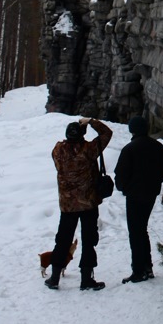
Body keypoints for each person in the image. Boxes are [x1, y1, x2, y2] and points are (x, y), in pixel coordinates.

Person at [45, 117, 113, 290]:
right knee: (89, 240)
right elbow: (107, 133)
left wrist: (78, 131)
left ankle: (54, 278)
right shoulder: (89, 149)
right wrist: (90, 122)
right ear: (81, 135)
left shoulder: (58, 149)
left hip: (67, 205)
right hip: (88, 203)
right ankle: (86, 279)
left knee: (63, 240)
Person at [114, 115, 163, 284]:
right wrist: (154, 182)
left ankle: (139, 270)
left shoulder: (129, 149)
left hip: (134, 195)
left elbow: (120, 175)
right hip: (150, 194)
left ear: (132, 130)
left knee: (136, 232)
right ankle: (147, 267)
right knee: (142, 229)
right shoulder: (157, 146)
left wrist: (125, 188)